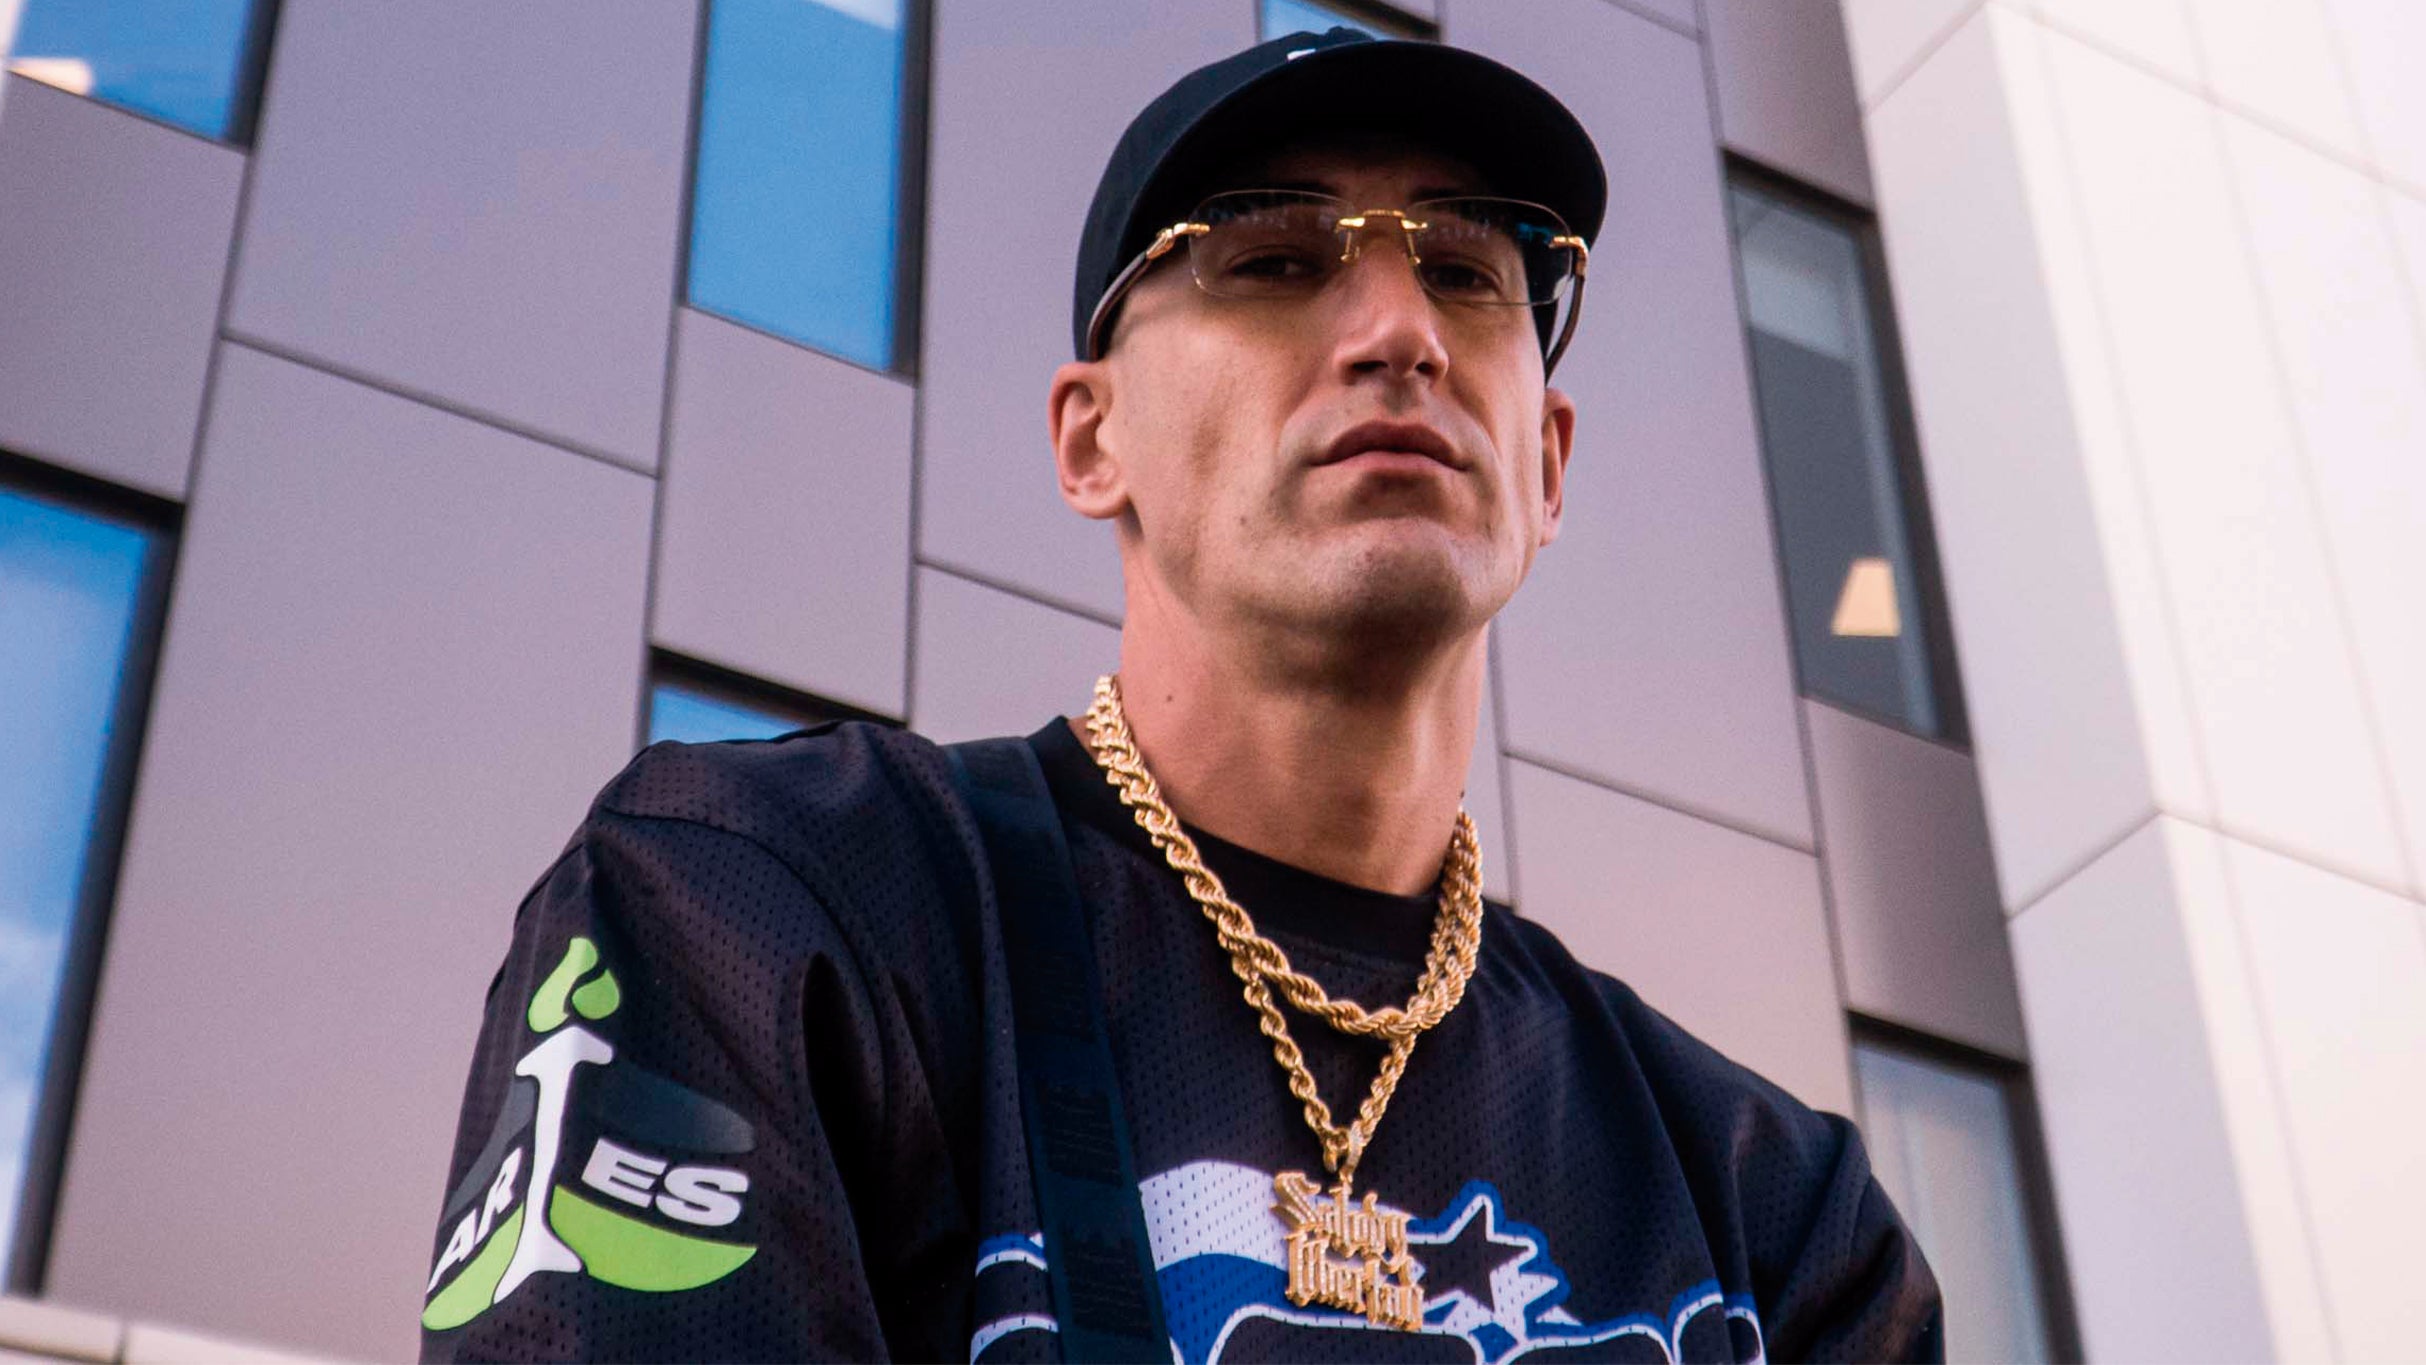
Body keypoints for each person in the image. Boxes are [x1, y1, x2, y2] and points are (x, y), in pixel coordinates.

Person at [418, 27, 1942, 1364]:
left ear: (1544, 465)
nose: (1401, 333)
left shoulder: (1765, 1208)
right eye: (1274, 260)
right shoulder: (772, 906)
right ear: (1092, 441)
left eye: (1468, 272)